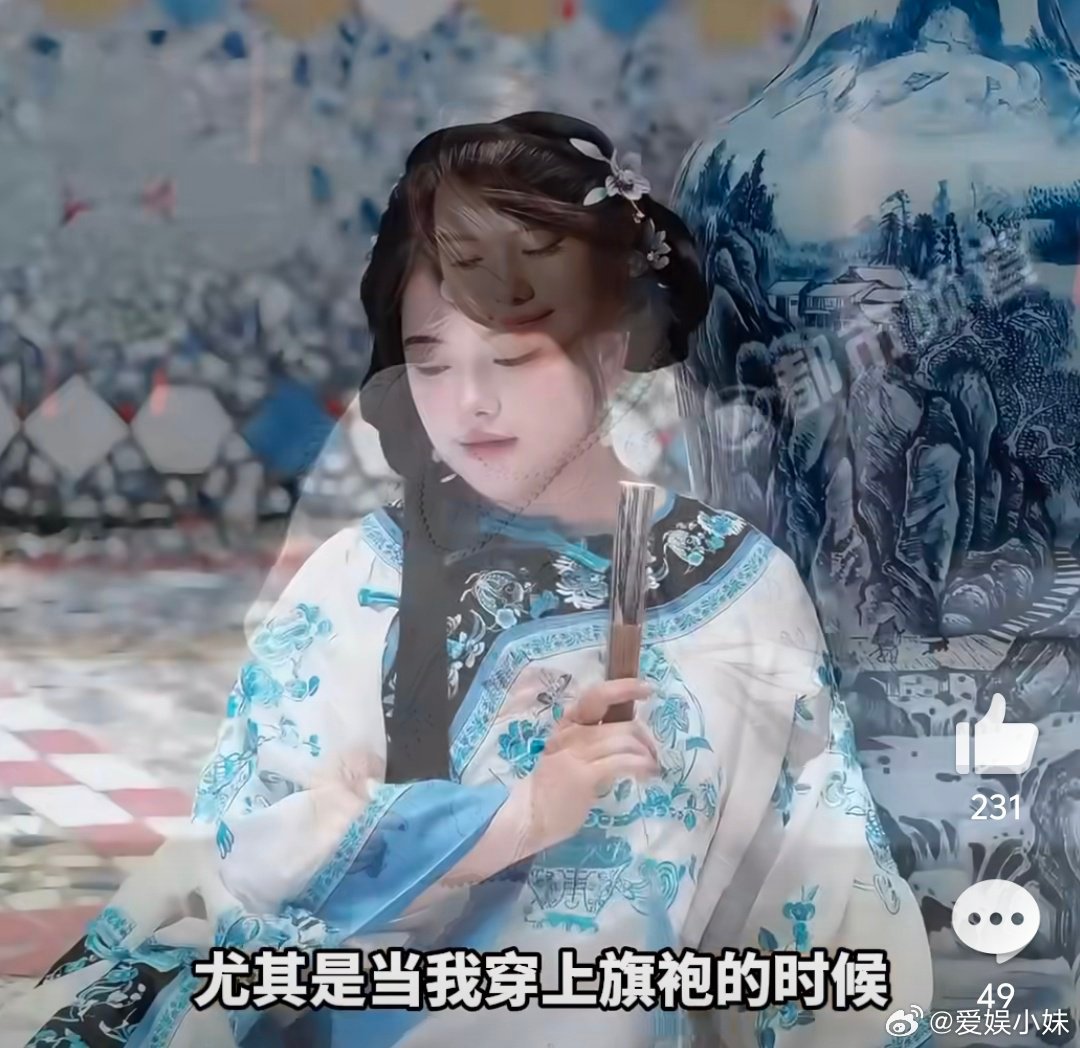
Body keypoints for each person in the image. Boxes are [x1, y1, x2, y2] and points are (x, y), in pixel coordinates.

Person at [3, 112, 933, 1048]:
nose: (469, 405)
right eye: (432, 362)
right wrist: (507, 821)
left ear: (610, 350)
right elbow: (246, 863)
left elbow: (821, 901)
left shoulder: (737, 586)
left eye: (513, 359)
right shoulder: (358, 582)